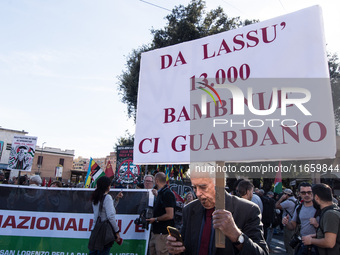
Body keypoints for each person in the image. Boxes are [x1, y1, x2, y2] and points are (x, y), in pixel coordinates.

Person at [166, 163, 268, 255]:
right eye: (194, 187)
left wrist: (236, 235)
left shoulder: (248, 210)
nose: (197, 193)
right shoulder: (189, 209)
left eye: (203, 187)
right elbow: (185, 248)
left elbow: (262, 253)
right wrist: (175, 250)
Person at [302, 184, 340, 255]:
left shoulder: (330, 214)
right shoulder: (333, 210)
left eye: (312, 196)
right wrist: (315, 236)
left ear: (316, 197)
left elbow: (329, 242)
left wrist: (311, 240)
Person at [282, 182, 319, 255]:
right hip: (303, 244)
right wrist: (286, 223)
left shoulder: (319, 208)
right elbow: (292, 226)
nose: (306, 195)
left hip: (317, 244)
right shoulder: (299, 207)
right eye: (303, 193)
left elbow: (329, 230)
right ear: (299, 193)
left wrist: (317, 225)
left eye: (309, 192)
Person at [89, 176, 121, 255]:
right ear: (107, 186)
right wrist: (116, 231)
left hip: (95, 229)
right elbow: (110, 215)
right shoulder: (107, 197)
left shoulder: (95, 197)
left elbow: (103, 210)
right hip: (104, 232)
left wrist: (116, 200)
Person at [147, 172, 176, 255]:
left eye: (152, 181)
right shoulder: (161, 193)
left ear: (156, 181)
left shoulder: (168, 194)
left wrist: (155, 219)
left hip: (163, 234)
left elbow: (170, 215)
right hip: (156, 232)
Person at [276, 188, 298, 255]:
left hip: (288, 224)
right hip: (295, 223)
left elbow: (276, 205)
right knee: (294, 242)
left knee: (288, 241)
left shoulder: (288, 202)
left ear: (286, 195)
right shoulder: (296, 200)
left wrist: (281, 199)